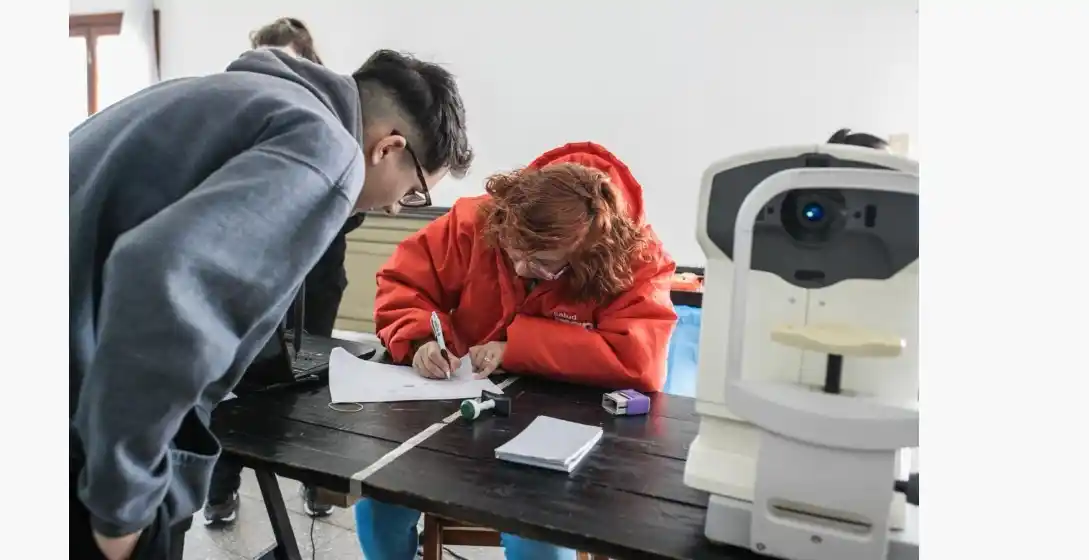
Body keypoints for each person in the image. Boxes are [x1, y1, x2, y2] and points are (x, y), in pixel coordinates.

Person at [70, 47, 473, 560]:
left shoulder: (245, 96)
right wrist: (120, 504)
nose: (397, 207)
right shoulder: (329, 149)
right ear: (388, 147)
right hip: (87, 420)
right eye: (414, 191)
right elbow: (161, 281)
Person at [356, 142, 678, 560]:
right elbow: (404, 283)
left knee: (537, 538)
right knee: (379, 505)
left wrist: (516, 348)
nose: (523, 269)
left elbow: (640, 360)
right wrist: (419, 340)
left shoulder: (637, 258)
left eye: (543, 263)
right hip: (460, 415)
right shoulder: (480, 220)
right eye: (513, 254)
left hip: (562, 437)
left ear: (591, 255)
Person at [202, 15, 360, 528]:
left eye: (288, 59)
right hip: (258, 281)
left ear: (311, 62)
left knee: (313, 382)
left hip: (317, 278)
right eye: (269, 57)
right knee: (240, 382)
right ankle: (221, 491)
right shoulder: (243, 112)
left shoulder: (336, 122)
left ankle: (317, 485)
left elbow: (352, 202)